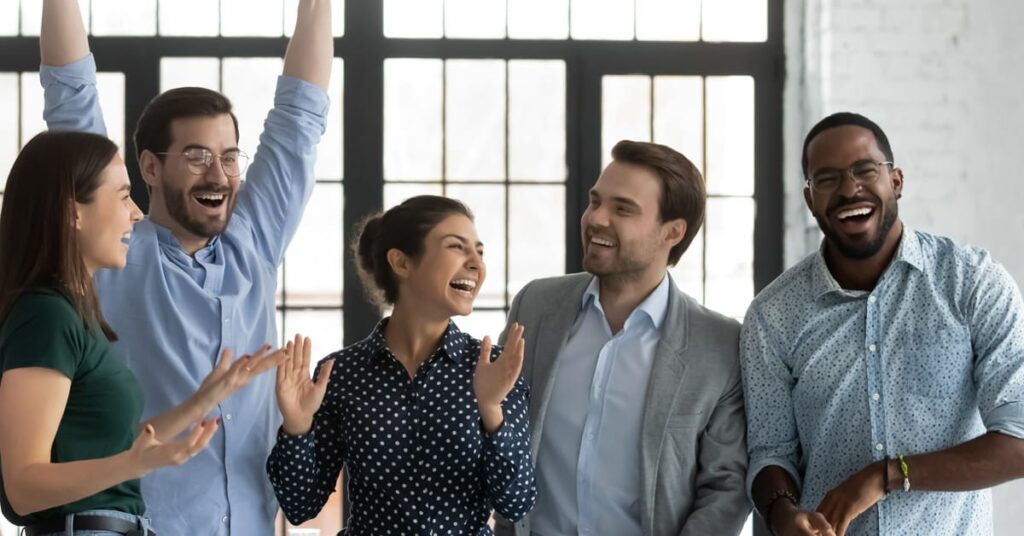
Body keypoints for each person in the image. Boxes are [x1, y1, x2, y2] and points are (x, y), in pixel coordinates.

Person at [38, 0, 334, 533]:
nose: (218, 175)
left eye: (228, 157)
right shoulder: (112, 250)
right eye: (197, 157)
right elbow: (71, 104)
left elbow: (299, 121)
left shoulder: (254, 242)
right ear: (150, 167)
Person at [742, 112, 1024, 536]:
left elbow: (1019, 439)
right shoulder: (773, 314)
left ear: (897, 181)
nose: (849, 189)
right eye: (827, 179)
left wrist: (889, 474)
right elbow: (770, 453)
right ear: (810, 199)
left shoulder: (972, 283)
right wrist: (782, 514)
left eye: (865, 170)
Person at [0, 131, 284, 535]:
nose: (135, 213)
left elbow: (110, 444)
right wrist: (135, 464)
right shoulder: (45, 316)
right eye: (122, 196)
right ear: (72, 212)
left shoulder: (73, 316)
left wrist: (205, 399)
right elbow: (23, 487)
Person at [495, 140, 749, 536]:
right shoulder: (536, 306)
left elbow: (726, 488)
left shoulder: (719, 346)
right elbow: (500, 433)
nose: (596, 219)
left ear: (673, 232)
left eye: (622, 209)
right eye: (595, 202)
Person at [267, 195, 537, 534]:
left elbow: (517, 503)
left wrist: (491, 408)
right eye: (457, 247)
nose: (476, 264)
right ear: (402, 263)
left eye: (479, 252)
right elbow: (299, 506)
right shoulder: (341, 374)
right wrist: (296, 427)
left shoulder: (494, 368)